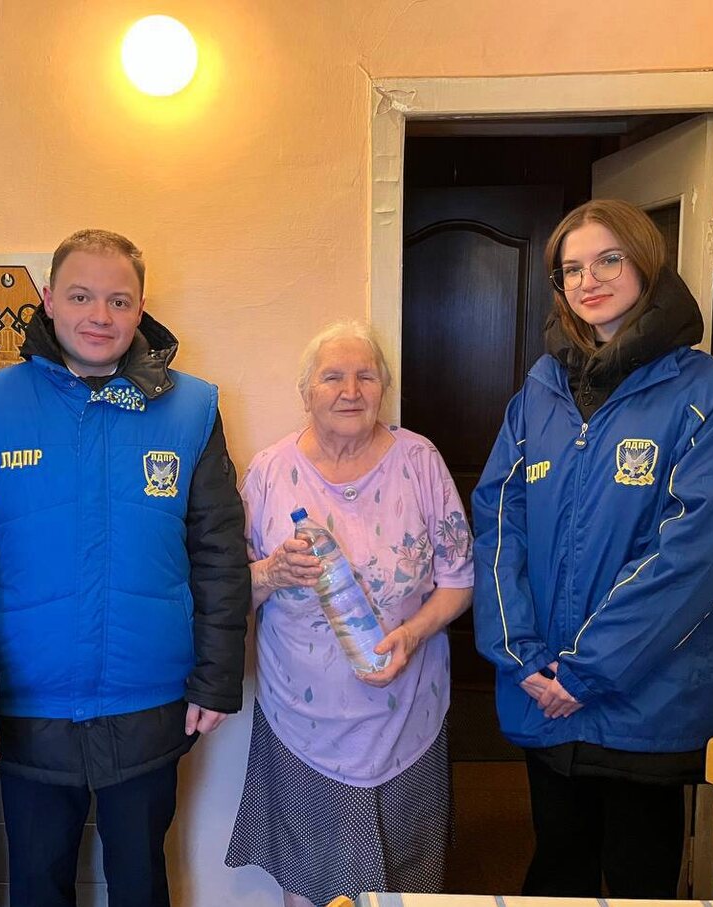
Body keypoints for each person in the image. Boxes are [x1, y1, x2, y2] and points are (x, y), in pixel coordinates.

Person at [472, 199, 713, 898]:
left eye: (608, 260)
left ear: (646, 263)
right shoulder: (539, 390)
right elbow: (499, 522)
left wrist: (587, 673)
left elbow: (697, 556)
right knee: (558, 870)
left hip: (648, 701)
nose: (588, 280)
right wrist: (522, 656)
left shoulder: (709, 392)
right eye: (571, 269)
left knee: (639, 882)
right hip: (544, 689)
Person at [0, 229, 249, 907]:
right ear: (49, 299)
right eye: (81, 296)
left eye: (119, 300)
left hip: (149, 698)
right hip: (26, 701)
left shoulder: (192, 407)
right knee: (36, 883)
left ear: (141, 306)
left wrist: (217, 677)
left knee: (140, 880)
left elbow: (219, 551)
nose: (100, 315)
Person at [225, 321, 474, 907]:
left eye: (366, 376)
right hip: (301, 726)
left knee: (408, 885)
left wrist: (413, 633)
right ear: (305, 392)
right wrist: (271, 573)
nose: (350, 391)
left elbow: (459, 581)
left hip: (407, 717)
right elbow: (228, 590)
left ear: (384, 387)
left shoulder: (420, 460)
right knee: (310, 885)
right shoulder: (269, 472)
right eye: (332, 377)